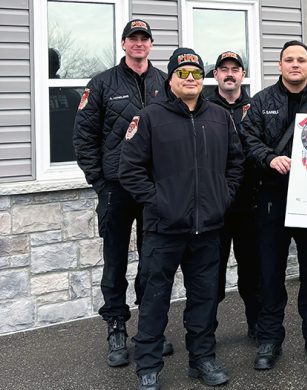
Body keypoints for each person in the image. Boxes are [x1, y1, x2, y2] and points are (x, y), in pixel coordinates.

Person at [119, 47, 244, 389]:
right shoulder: (149, 117)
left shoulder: (219, 117)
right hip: (164, 229)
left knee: (204, 299)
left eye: (195, 73)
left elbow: (236, 164)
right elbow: (129, 170)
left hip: (208, 229)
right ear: (171, 79)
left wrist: (223, 197)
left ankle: (201, 359)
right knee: (155, 299)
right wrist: (160, 202)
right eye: (182, 73)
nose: (190, 79)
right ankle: (148, 366)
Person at [72, 18, 172, 367]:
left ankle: (148, 328)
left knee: (153, 259)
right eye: (133, 38)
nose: (139, 44)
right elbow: (83, 138)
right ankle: (116, 324)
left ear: (151, 45)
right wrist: (99, 181)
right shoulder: (101, 84)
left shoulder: (164, 82)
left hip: (153, 188)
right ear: (124, 43)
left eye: (144, 39)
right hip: (115, 187)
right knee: (115, 259)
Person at [239, 40, 307, 370]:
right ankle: (269, 338)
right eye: (289, 60)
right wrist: (269, 157)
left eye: (301, 60)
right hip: (272, 196)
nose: (295, 65)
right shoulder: (261, 101)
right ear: (279, 65)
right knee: (270, 273)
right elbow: (246, 139)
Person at [204, 50, 261, 339]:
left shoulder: (256, 106)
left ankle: (257, 326)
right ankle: (206, 332)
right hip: (215, 206)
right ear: (215, 75)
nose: (229, 73)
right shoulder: (202, 108)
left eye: (235, 69)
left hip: (248, 205)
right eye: (223, 69)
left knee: (252, 272)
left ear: (242, 75)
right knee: (210, 275)